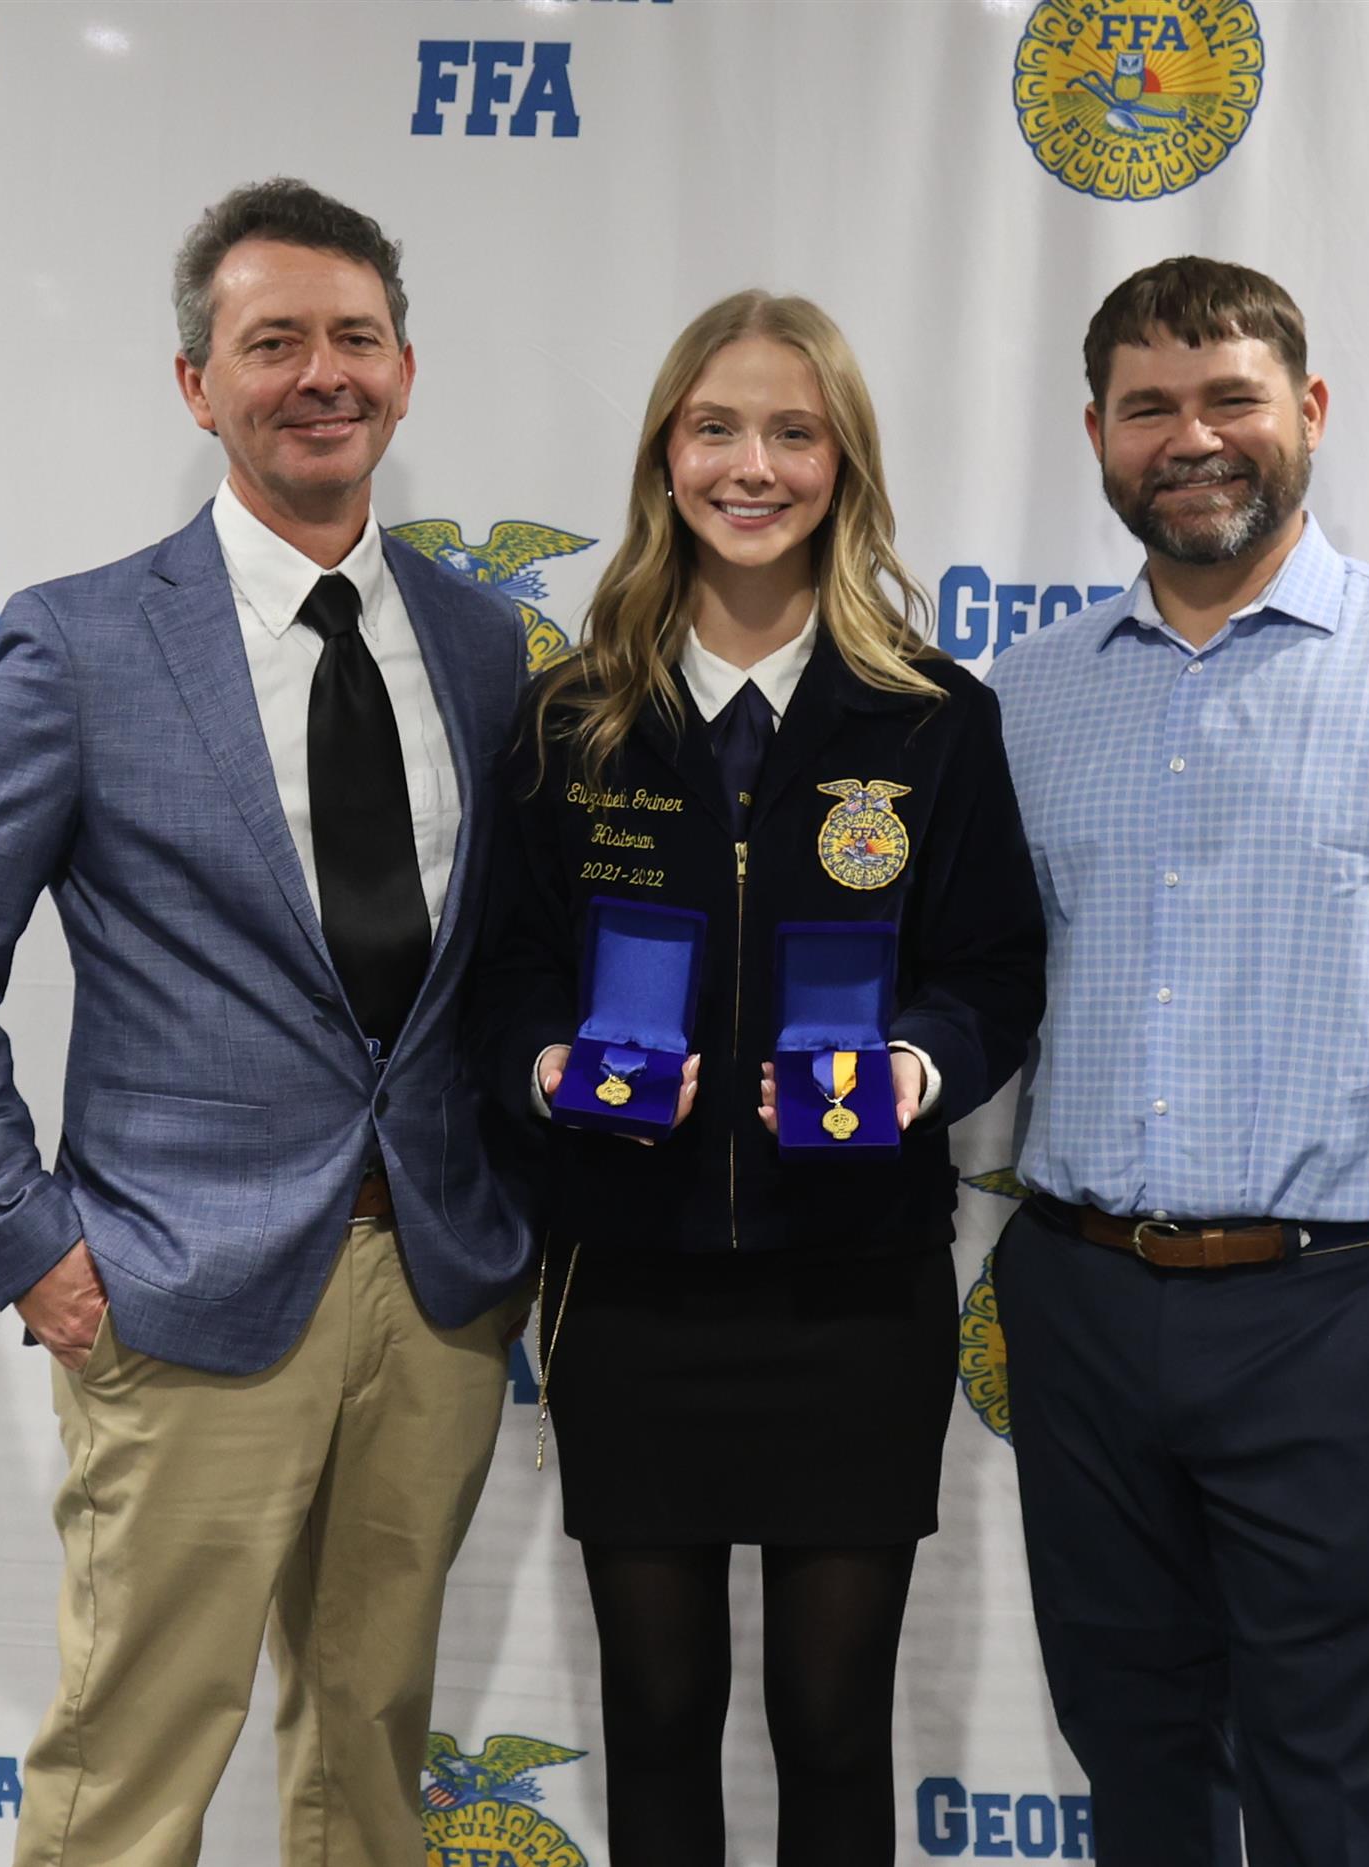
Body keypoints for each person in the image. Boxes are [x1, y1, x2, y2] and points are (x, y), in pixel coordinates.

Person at [0, 178, 531, 1867]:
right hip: (172, 1288)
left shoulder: (487, 646)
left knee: (371, 1754)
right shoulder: (85, 643)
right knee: (134, 1762)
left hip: (436, 1292)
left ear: (405, 370)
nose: (322, 375)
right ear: (196, 384)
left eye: (356, 338)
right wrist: (27, 1239)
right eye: (273, 342)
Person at [983, 257, 1369, 1867]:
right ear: (1098, 435)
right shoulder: (1026, 696)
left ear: (1308, 410)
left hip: (1348, 1319)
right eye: (1149, 408)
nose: (1192, 438)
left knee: (1347, 1801)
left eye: (1231, 398)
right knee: (1138, 1772)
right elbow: (979, 981)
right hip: (1083, 1308)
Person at [467, 290, 1047, 1867]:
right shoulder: (570, 718)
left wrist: (917, 1068)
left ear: (843, 464)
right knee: (656, 1720)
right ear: (666, 455)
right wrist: (549, 1062)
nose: (753, 466)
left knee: (834, 1725)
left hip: (852, 1293)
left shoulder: (933, 721)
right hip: (629, 1286)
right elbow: (505, 971)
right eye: (717, 427)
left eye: (795, 433)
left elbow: (996, 970)